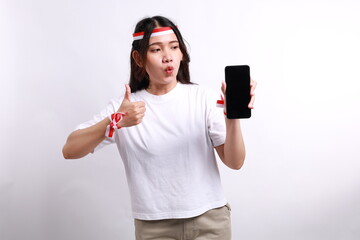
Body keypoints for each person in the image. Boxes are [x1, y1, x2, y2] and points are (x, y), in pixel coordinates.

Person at [62, 15, 256, 240]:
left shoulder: (203, 99)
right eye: (156, 50)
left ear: (182, 53)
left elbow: (235, 162)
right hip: (153, 227)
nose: (168, 57)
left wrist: (232, 118)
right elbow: (69, 150)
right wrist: (114, 121)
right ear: (139, 58)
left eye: (174, 47)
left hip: (210, 221)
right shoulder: (124, 107)